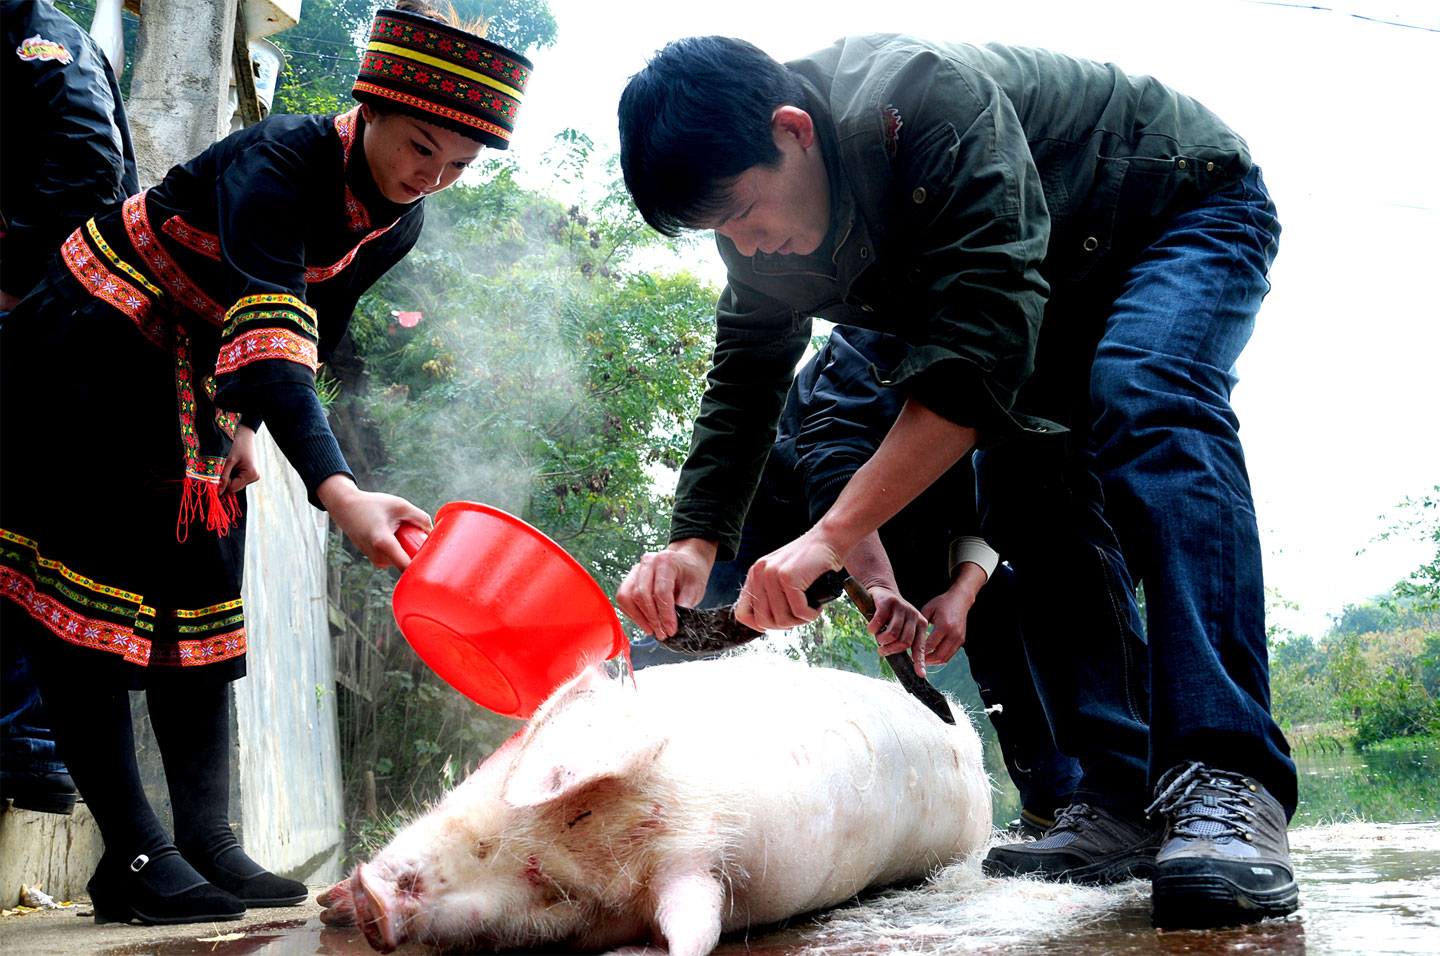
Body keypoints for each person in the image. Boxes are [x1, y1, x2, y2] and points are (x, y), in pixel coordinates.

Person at [615, 35, 1296, 927]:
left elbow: (973, 363)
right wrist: (695, 542)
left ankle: (1228, 777)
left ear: (793, 132)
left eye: (744, 211)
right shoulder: (763, 237)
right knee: (1025, 482)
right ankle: (1124, 794)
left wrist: (827, 541)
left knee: (1148, 395)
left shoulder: (925, 102)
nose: (745, 245)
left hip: (1173, 211)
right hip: (1048, 289)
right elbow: (745, 377)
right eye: (721, 233)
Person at [0, 1, 532, 926]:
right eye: (419, 148)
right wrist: (339, 494)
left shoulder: (393, 220)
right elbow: (275, 341)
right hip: (92, 342)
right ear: (366, 110)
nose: (431, 178)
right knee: (86, 597)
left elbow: (319, 337)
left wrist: (245, 423)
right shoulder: (278, 163)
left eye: (458, 165)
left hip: (199, 373)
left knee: (201, 585)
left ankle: (207, 839)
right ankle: (132, 853)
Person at [633, 325, 1081, 834]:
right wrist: (878, 585)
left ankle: (1055, 809)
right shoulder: (884, 330)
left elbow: (1008, 500)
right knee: (708, 618)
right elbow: (834, 449)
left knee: (1005, 618)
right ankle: (611, 709)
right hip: (795, 494)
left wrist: (962, 592)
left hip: (924, 527)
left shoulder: (1031, 362)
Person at [0, 0, 140, 815]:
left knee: (21, 522)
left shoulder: (42, 38)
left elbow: (88, 165)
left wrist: (16, 278)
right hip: (57, 320)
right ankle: (30, 742)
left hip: (49, 317)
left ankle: (27, 742)